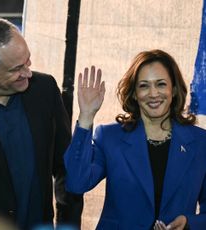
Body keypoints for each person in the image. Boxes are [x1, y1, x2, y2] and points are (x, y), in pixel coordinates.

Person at [64, 49, 206, 230]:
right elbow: (76, 183)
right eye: (144, 86)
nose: (153, 93)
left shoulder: (201, 143)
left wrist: (188, 223)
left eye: (161, 84)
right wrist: (86, 116)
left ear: (175, 89)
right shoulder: (109, 138)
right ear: (133, 93)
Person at [0, 16, 83, 230]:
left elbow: (66, 167)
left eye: (28, 61)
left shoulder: (44, 89)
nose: (28, 73)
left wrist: (67, 225)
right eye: (16, 69)